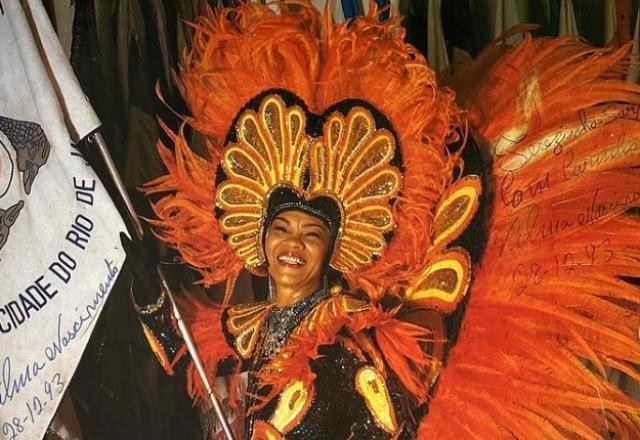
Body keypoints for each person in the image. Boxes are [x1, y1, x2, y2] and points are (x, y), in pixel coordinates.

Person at [127, 1, 640, 439]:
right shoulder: (243, 327)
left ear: (332, 249)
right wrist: (145, 285)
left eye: (311, 233)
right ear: (258, 240)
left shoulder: (350, 338)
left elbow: (391, 414)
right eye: (281, 229)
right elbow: (184, 347)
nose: (292, 244)